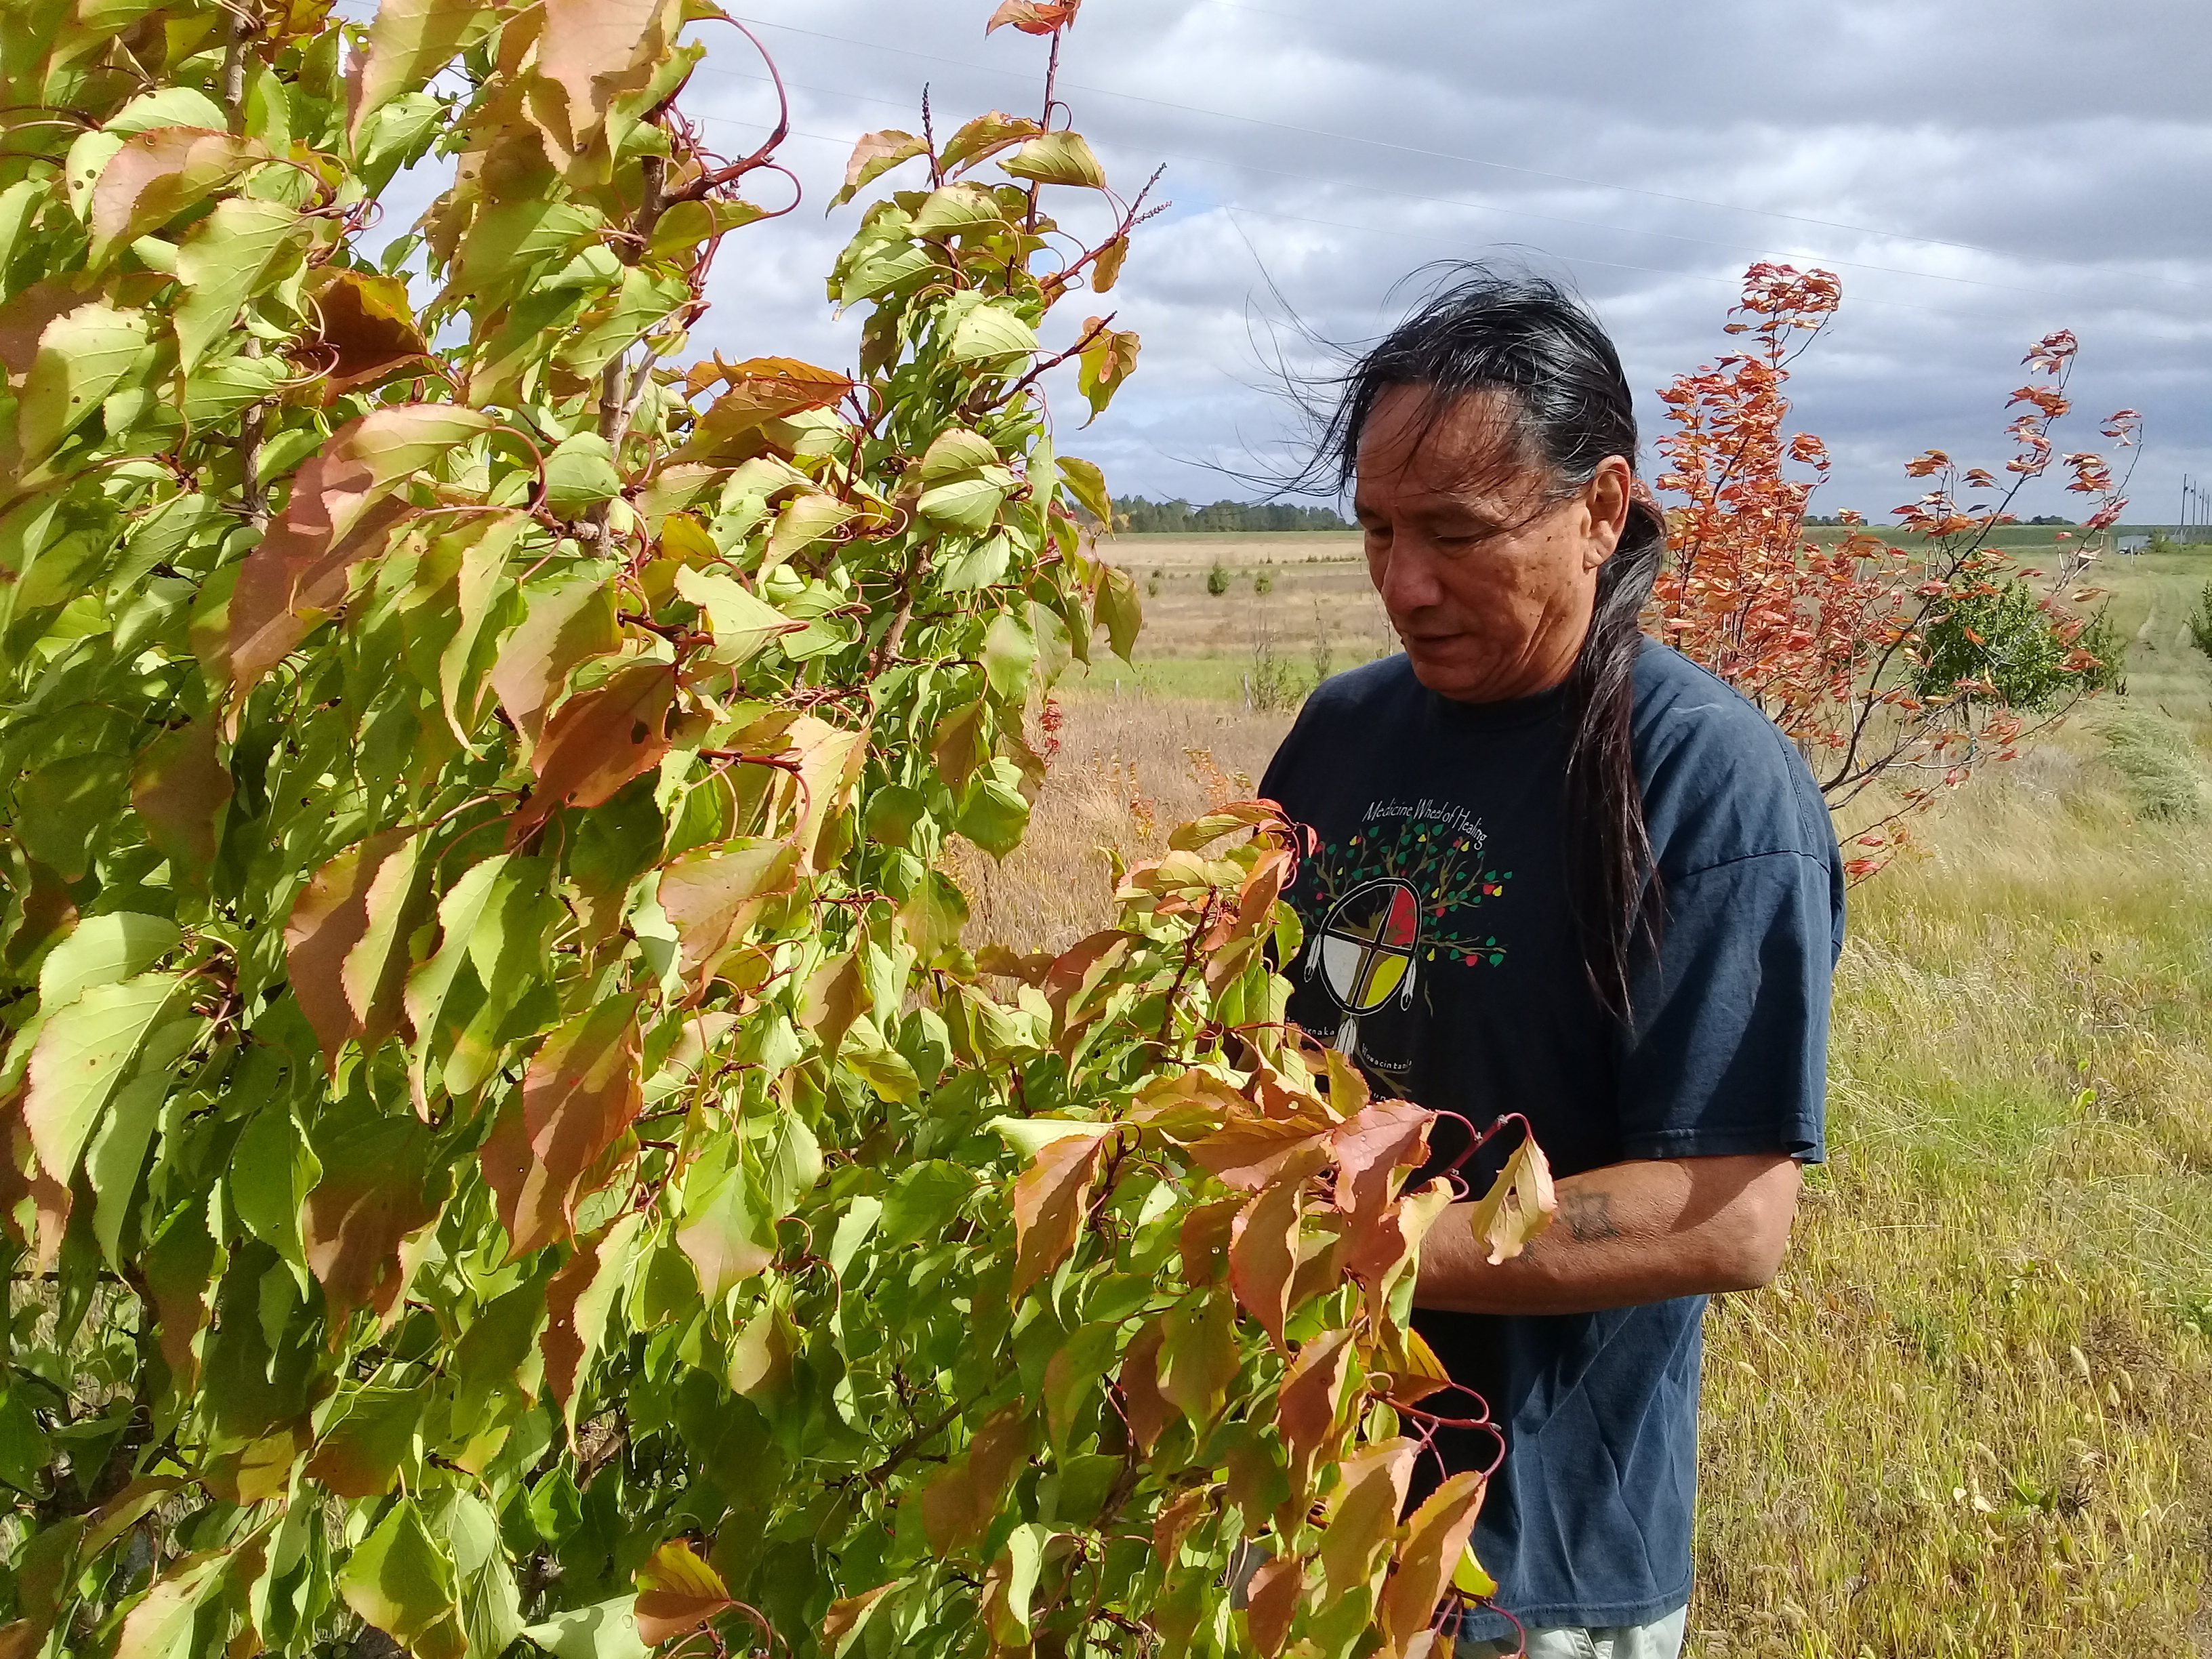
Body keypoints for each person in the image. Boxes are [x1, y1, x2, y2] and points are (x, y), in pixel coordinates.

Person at [1258, 268, 1843, 1659]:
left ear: (1600, 509)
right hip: (1287, 1499)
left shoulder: (1707, 782)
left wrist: (1344, 1259)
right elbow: (1264, 1037)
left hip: (1529, 1564)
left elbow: (1727, 1214)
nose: (1405, 584)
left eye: (1457, 533)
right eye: (1379, 530)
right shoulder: (1342, 731)